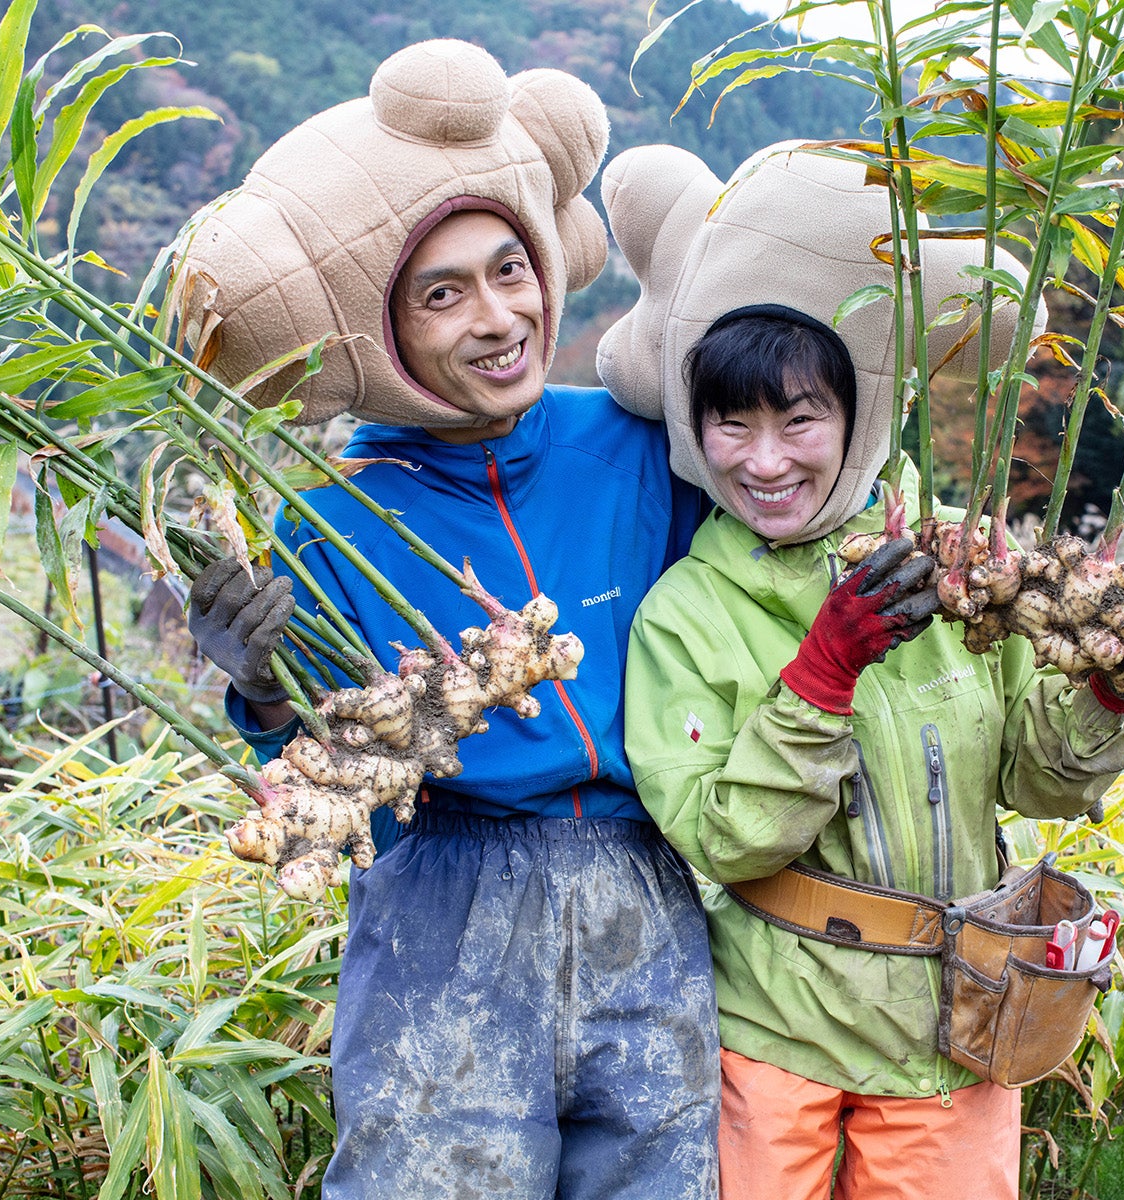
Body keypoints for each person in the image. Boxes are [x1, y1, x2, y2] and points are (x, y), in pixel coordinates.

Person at [599, 145, 1124, 1199]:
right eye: (728, 422)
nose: (764, 459)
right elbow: (727, 840)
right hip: (771, 1036)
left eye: (800, 418)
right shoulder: (686, 615)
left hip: (952, 1022)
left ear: (861, 419)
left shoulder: (960, 569)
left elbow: (1040, 784)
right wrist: (822, 675)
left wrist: (1107, 691)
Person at [175, 41, 718, 1199]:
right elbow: (324, 788)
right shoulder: (329, 521)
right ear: (380, 332)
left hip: (646, 890)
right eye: (441, 293)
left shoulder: (632, 444)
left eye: (510, 268)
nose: (496, 317)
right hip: (441, 897)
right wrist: (258, 687)